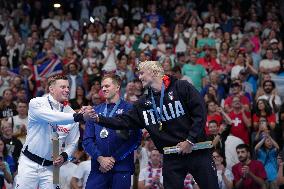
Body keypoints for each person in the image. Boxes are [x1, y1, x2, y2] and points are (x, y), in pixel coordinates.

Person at [85, 61, 219, 189]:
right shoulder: (143, 103)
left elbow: (200, 113)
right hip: (171, 156)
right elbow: (123, 121)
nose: (139, 76)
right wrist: (98, 118)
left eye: (142, 73)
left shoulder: (181, 87)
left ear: (154, 72)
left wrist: (190, 140)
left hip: (197, 151)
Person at [15, 75, 86, 189]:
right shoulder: (36, 102)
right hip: (29, 162)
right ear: (51, 89)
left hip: (53, 168)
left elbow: (73, 143)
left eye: (68, 87)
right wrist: (78, 116)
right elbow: (54, 117)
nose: (67, 90)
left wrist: (64, 155)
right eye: (63, 87)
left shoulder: (71, 114)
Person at [83, 74, 141, 189]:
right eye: (102, 86)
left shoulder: (130, 109)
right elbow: (87, 140)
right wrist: (100, 158)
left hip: (121, 168)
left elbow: (135, 139)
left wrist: (114, 158)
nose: (103, 89)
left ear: (117, 87)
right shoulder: (94, 111)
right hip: (99, 167)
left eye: (107, 86)